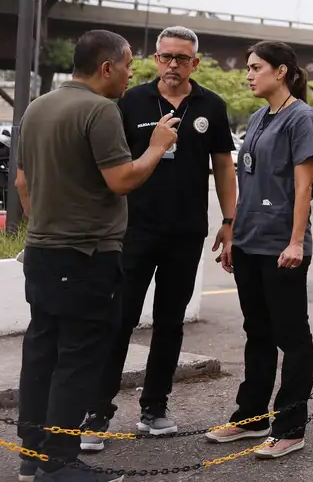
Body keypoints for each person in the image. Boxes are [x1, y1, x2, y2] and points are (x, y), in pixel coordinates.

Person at [14, 29, 179, 482]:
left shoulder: (37, 107)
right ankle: (61, 462)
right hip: (87, 254)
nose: (131, 75)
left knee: (42, 349)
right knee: (78, 356)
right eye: (127, 66)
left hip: (43, 252)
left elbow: (23, 184)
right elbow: (122, 180)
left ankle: (33, 454)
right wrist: (157, 146)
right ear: (107, 67)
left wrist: (48, 223)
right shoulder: (100, 110)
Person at [81, 27, 237, 452]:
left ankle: (154, 407)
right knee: (119, 320)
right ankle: (96, 412)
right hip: (133, 230)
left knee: (170, 323)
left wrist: (229, 219)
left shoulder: (211, 106)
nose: (173, 65)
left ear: (195, 64)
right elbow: (110, 164)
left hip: (186, 233)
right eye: (166, 56)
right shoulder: (129, 101)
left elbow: (223, 166)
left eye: (182, 59)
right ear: (155, 59)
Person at [205, 40, 313, 460]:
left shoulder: (302, 118)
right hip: (250, 242)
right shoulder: (258, 117)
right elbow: (248, 181)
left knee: (291, 336)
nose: (249, 74)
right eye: (248, 68)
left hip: (282, 246)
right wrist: (233, 233)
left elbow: (303, 187)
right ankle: (250, 418)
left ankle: (290, 426)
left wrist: (295, 242)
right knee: (257, 333)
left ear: (282, 71)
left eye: (256, 67)